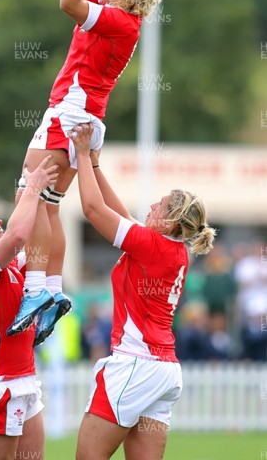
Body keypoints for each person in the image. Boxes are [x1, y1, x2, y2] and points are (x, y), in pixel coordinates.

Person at [9, 0, 162, 343]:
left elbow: (67, 1)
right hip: (82, 114)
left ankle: (35, 288)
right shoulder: (115, 9)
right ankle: (53, 289)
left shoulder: (118, 20)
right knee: (50, 203)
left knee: (31, 194)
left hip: (71, 111)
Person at [70, 123, 215, 460]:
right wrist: (92, 164)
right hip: (163, 370)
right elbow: (120, 214)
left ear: (171, 223)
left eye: (161, 205)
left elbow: (93, 210)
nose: (152, 205)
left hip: (136, 364)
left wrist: (79, 152)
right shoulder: (171, 248)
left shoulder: (152, 245)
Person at [0, 157, 59, 460]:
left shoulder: (9, 264)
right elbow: (18, 235)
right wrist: (32, 188)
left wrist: (46, 200)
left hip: (22, 378)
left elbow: (44, 246)